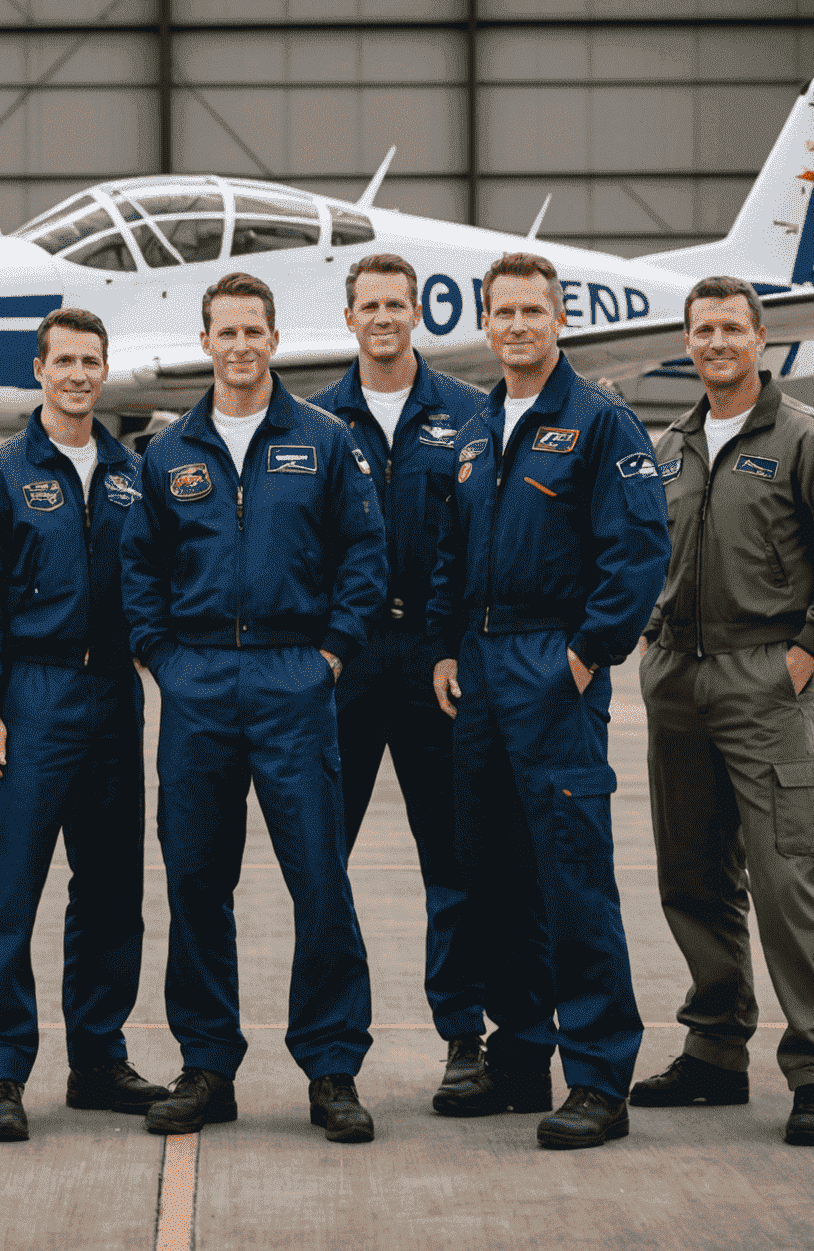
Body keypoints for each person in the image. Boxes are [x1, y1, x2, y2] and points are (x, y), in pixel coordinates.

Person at [120, 270, 387, 1144]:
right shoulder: (168, 453)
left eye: (254, 332)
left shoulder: (324, 439)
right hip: (197, 685)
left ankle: (333, 1065)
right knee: (197, 877)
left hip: (293, 680)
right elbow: (139, 572)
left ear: (275, 339)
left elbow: (364, 554)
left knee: (319, 874)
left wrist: (330, 655)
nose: (240, 347)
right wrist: (163, 658)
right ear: (206, 342)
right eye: (225, 332)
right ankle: (206, 1064)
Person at [632, 274, 814, 1147]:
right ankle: (713, 1052)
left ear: (760, 338)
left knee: (786, 881)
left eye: (731, 329)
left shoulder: (808, 438)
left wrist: (805, 656)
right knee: (692, 879)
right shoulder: (669, 447)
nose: (716, 344)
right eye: (703, 330)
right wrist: (645, 636)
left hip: (762, 679)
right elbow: (637, 555)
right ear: (689, 341)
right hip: (676, 684)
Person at [426, 251, 669, 1150]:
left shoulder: (600, 422)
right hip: (481, 672)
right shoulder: (477, 430)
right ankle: (522, 1055)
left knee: (573, 876)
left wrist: (584, 657)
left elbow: (639, 553)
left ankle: (601, 1077)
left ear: (560, 319)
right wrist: (449, 648)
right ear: (485, 325)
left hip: (551, 663)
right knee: (494, 876)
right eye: (504, 312)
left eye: (534, 310)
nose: (519, 325)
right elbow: (451, 556)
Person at [0, 307, 169, 1143]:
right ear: (38, 371)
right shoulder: (0, 474)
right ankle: (1, 1073)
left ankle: (97, 1061)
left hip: (115, 695)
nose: (78, 375)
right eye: (63, 361)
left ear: (104, 371)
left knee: (113, 890)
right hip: (30, 695)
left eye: (91, 361)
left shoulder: (130, 473)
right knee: (12, 892)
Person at [308, 253, 489, 1105]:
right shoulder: (311, 423)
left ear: (419, 313)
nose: (382, 317)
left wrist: (456, 644)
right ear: (347, 318)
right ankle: (333, 1052)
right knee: (323, 864)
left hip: (433, 660)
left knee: (452, 860)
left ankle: (463, 1037)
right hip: (342, 666)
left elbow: (481, 541)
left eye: (395, 303)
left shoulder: (467, 415)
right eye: (367, 305)